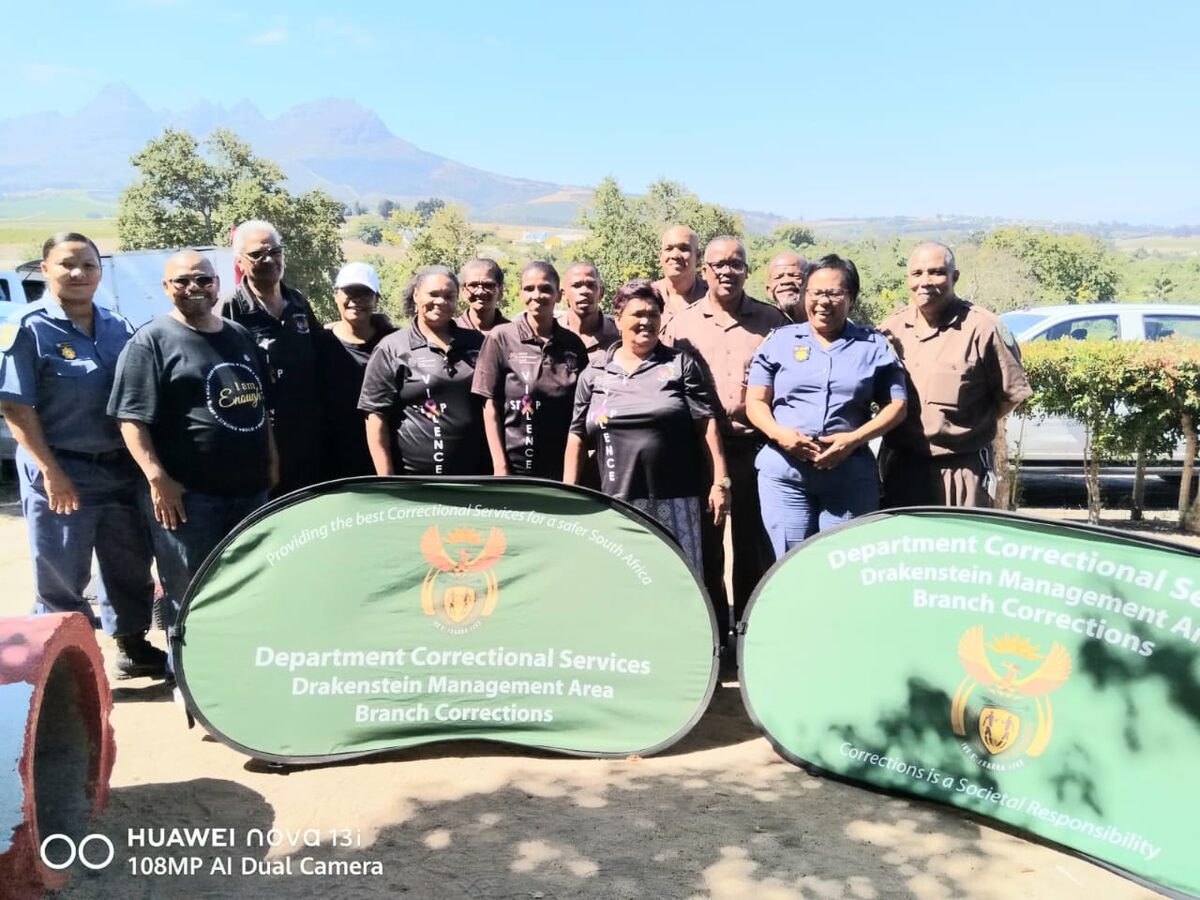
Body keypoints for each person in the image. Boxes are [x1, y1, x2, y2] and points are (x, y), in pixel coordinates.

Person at [0, 232, 163, 678]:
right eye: (67, 264)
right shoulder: (28, 328)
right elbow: (15, 407)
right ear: (45, 269)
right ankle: (61, 666)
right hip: (62, 470)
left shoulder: (117, 326)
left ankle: (131, 645)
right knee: (61, 572)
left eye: (88, 265)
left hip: (118, 470)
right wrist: (50, 470)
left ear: (99, 272)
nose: (78, 273)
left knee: (128, 563)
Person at [108, 251, 276, 627]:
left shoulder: (239, 336)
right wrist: (157, 479)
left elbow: (259, 406)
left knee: (249, 587)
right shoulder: (150, 342)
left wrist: (272, 460)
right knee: (191, 595)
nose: (194, 287)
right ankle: (185, 663)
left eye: (203, 279)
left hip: (250, 492)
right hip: (188, 500)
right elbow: (130, 419)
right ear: (166, 287)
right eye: (182, 281)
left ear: (218, 285)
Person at [660, 236, 787, 641]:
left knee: (754, 546)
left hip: (756, 449)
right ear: (705, 271)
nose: (727, 272)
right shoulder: (680, 326)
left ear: (747, 270)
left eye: (736, 264)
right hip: (699, 452)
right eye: (718, 265)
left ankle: (750, 634)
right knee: (705, 547)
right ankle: (712, 634)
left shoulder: (773, 322)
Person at [746, 255, 908, 557]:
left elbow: (897, 406)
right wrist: (780, 434)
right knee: (790, 562)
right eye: (816, 292)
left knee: (844, 562)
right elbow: (755, 401)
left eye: (834, 293)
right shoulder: (779, 341)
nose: (823, 302)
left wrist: (853, 439)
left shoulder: (873, 345)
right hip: (785, 476)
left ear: (852, 298)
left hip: (849, 477)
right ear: (804, 295)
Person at [565, 280, 728, 570]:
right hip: (613, 502)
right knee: (623, 579)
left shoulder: (680, 364)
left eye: (653, 314)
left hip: (674, 500)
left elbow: (707, 425)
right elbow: (577, 436)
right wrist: (569, 493)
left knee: (678, 579)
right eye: (638, 314)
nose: (646, 321)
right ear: (618, 319)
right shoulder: (596, 372)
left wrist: (720, 483)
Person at [878, 242, 1032, 507]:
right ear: (907, 279)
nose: (925, 282)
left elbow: (1009, 396)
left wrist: (967, 426)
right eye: (917, 273)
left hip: (962, 469)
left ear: (955, 277)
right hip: (902, 468)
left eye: (936, 272)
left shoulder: (983, 328)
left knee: (962, 534)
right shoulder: (890, 329)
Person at [218, 219, 321, 496]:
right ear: (240, 262)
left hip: (307, 429)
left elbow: (321, 343)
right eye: (257, 254)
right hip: (262, 434)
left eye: (275, 251)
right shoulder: (230, 308)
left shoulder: (297, 301)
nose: (269, 259)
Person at [360, 267, 488, 476]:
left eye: (449, 296)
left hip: (474, 477)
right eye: (433, 294)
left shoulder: (477, 342)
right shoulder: (392, 348)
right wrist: (386, 478)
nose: (441, 301)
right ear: (416, 295)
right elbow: (375, 415)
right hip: (413, 481)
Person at [472, 261, 588, 479]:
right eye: (529, 289)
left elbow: (581, 413)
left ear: (559, 295)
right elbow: (490, 405)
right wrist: (500, 467)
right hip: (512, 469)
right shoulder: (501, 337)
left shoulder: (573, 344)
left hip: (559, 469)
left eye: (545, 289)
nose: (537, 295)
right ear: (520, 294)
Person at [315, 262, 395, 479]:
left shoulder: (393, 343)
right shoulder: (318, 343)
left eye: (365, 293)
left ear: (376, 299)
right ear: (335, 295)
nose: (356, 299)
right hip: (331, 459)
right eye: (350, 291)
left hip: (386, 456)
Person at [560, 262, 619, 362]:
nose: (584, 291)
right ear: (563, 294)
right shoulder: (550, 332)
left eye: (591, 285)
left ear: (601, 293)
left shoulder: (620, 333)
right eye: (576, 285)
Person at [652, 226, 708, 316]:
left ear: (697, 256)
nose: (675, 255)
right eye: (669, 249)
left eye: (684, 249)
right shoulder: (647, 296)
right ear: (661, 256)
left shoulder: (713, 296)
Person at [456, 258, 509, 333]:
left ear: (500, 291)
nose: (480, 292)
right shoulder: (448, 332)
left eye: (488, 285)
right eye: (473, 285)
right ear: (463, 292)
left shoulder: (513, 334)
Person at [765, 251, 808, 323]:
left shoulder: (825, 322)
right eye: (778, 277)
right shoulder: (760, 324)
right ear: (769, 290)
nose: (786, 281)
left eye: (795, 276)